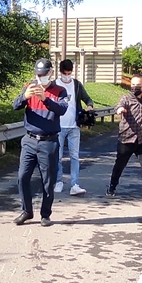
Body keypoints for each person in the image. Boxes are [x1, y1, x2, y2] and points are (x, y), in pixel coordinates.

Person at [12, 58, 68, 226]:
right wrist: (24, 97)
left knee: (48, 181)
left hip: (49, 142)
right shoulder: (29, 87)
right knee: (23, 177)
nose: (40, 78)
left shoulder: (60, 91)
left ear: (50, 73)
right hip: (29, 140)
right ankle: (27, 211)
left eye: (43, 75)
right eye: (37, 75)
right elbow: (15, 105)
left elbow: (62, 109)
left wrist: (45, 99)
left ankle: (45, 214)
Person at [108, 75, 142, 205]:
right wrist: (120, 110)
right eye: (132, 85)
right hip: (126, 139)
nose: (134, 87)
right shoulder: (126, 98)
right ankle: (112, 187)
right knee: (119, 166)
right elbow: (119, 106)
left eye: (137, 85)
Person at [53, 59, 93, 196]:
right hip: (57, 126)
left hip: (74, 126)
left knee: (74, 156)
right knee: (57, 156)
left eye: (69, 73)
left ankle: (74, 184)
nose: (67, 76)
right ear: (60, 72)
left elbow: (87, 98)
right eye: (65, 73)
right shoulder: (54, 85)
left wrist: (89, 106)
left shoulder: (76, 85)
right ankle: (58, 181)